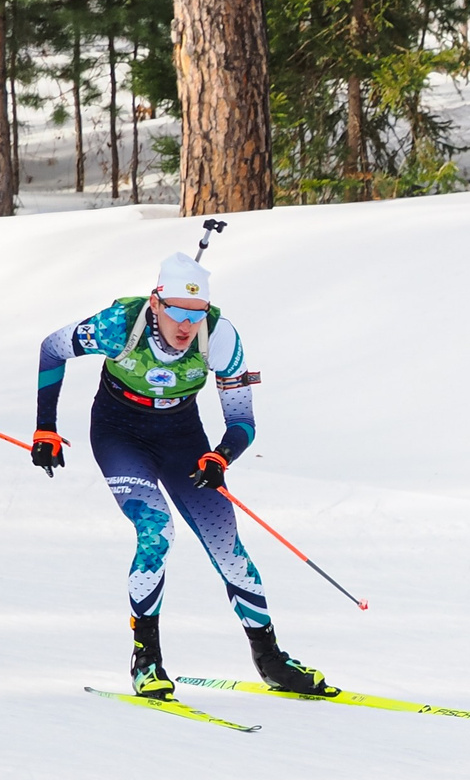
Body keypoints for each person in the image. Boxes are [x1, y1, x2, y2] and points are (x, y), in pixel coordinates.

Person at [33, 252, 336, 701]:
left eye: (195, 315)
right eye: (175, 311)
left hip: (182, 438)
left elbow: (243, 422)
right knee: (156, 532)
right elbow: (51, 348)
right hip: (120, 434)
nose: (184, 325)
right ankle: (146, 661)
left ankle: (270, 660)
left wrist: (220, 456)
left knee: (228, 548)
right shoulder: (120, 323)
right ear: (156, 303)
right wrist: (46, 427)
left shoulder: (221, 336)